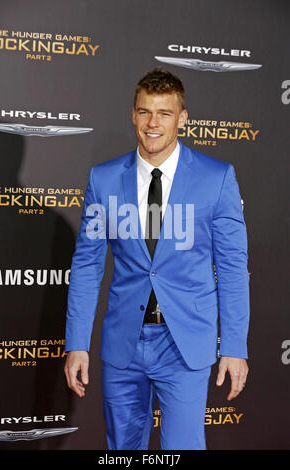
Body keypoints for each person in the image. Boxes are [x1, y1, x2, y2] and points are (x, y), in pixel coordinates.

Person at [64, 68, 250, 450]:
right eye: (145, 112)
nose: (153, 123)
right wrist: (77, 343)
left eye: (164, 113)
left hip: (184, 341)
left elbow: (233, 269)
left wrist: (234, 346)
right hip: (123, 342)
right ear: (133, 115)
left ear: (182, 118)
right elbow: (87, 266)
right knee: (123, 449)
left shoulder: (217, 178)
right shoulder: (104, 179)